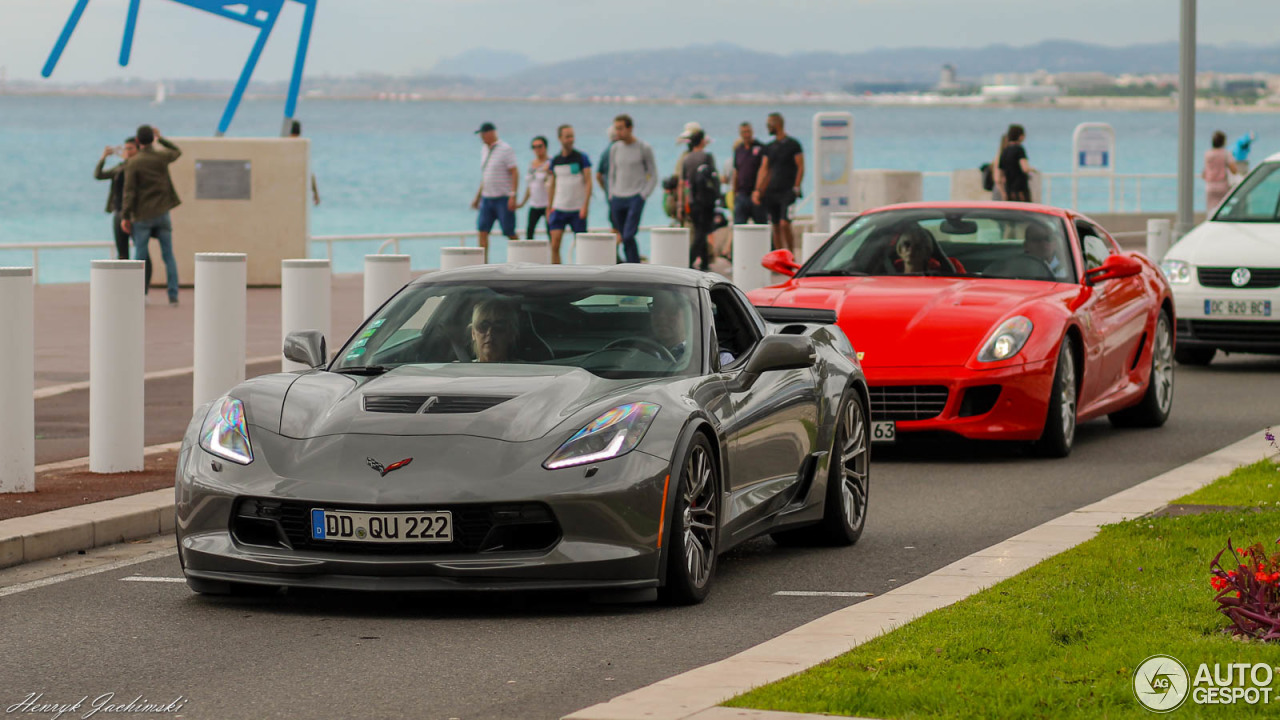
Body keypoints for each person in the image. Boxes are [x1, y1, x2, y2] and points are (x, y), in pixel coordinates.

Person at [120, 125, 182, 305]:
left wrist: (125, 216)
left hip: (142, 215)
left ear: (138, 141)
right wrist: (161, 138)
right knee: (168, 255)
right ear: (152, 139)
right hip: (163, 212)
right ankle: (173, 294)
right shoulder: (161, 157)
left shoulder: (133, 162)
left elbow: (129, 192)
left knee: (140, 254)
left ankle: (137, 292)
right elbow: (176, 151)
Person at [94, 138, 153, 285]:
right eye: (125, 149)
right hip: (119, 212)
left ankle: (143, 289)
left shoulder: (140, 168)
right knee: (122, 253)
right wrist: (103, 158)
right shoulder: (121, 167)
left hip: (136, 215)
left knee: (142, 253)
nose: (127, 152)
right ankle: (124, 286)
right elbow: (99, 175)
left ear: (138, 150)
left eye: (130, 149)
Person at [607, 114, 658, 263]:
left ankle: (633, 264)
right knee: (623, 235)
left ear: (630, 128)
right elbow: (611, 173)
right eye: (616, 129)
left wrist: (643, 195)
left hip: (635, 196)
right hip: (617, 197)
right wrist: (611, 194)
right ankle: (633, 265)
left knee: (628, 235)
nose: (618, 132)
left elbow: (653, 174)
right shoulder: (615, 148)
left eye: (621, 128)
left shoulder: (643, 148)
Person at [753, 112, 805, 252]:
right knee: (775, 225)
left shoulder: (793, 144)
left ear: (777, 125)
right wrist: (758, 190)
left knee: (784, 224)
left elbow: (800, 166)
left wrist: (796, 186)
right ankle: (780, 255)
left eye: (769, 125)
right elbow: (764, 169)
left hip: (787, 191)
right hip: (771, 191)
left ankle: (791, 253)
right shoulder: (769, 147)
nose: (767, 128)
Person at [470, 122, 519, 260]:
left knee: (509, 231)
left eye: (483, 134)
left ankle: (521, 257)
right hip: (487, 197)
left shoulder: (506, 149)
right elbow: (486, 175)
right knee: (482, 231)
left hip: (502, 197)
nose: (481, 137)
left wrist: (513, 195)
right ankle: (484, 263)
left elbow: (514, 172)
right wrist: (478, 197)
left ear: (491, 133)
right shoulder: (484, 150)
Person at [545, 125, 592, 264]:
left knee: (582, 245)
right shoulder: (555, 160)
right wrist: (549, 207)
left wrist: (585, 205)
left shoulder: (581, 158)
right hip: (559, 207)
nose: (571, 139)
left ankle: (582, 272)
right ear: (560, 139)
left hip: (577, 208)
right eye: (567, 136)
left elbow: (588, 182)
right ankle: (556, 273)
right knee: (555, 244)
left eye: (572, 136)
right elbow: (552, 184)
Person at [650, 290, 734, 365]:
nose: (661, 317)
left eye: (671, 310)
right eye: (656, 310)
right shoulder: (641, 354)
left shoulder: (718, 359)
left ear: (690, 316)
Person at [679, 130, 718, 270]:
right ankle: (690, 260)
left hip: (692, 200)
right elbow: (713, 177)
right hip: (706, 200)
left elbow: (682, 183)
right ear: (702, 141)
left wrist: (681, 204)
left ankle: (705, 262)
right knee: (702, 232)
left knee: (699, 229)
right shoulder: (707, 156)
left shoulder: (687, 159)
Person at [729, 122, 767, 224]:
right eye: (743, 132)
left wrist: (759, 190)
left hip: (756, 194)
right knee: (739, 225)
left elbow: (765, 170)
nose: (746, 134)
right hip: (742, 194)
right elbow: (736, 171)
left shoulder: (761, 148)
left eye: (748, 132)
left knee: (761, 224)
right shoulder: (738, 150)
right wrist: (734, 192)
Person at [518, 135, 551, 239]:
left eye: (539, 146)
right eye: (534, 147)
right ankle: (529, 254)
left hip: (547, 204)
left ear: (545, 147)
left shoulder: (551, 163)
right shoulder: (531, 164)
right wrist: (522, 202)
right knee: (530, 232)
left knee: (551, 232)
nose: (537, 149)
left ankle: (553, 254)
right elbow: (530, 186)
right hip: (534, 204)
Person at [469, 298, 519, 363]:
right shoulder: (457, 369)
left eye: (498, 327)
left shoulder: (526, 370)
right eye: (483, 326)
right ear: (473, 333)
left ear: (511, 335)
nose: (489, 332)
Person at [1203, 130, 1239, 212]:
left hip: (1210, 185)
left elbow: (1205, 172)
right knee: (1223, 210)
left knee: (1210, 210)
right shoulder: (1226, 153)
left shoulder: (1207, 154)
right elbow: (1234, 170)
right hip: (1222, 185)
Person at [999, 124, 1035, 202]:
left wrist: (1003, 192)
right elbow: (1025, 168)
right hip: (1020, 189)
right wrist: (1033, 169)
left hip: (1009, 189)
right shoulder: (1019, 149)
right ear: (1020, 136)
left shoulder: (1005, 151)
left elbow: (1001, 173)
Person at [289, 120, 320, 206]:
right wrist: (315, 194)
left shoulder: (283, 145)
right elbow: (309, 173)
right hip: (298, 191)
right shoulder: (302, 147)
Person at [596, 125, 617, 198]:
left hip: (610, 191)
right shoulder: (617, 151)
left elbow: (598, 175)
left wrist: (606, 190)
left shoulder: (605, 152)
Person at [989, 132, 1007, 201]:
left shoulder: (999, 157)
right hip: (1000, 189)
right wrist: (1003, 193)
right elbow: (997, 179)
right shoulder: (999, 157)